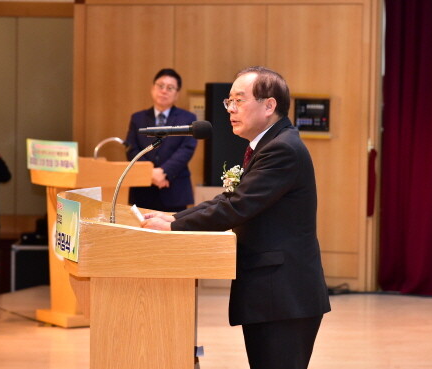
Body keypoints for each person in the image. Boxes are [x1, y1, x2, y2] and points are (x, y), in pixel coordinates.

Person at [142, 66, 331, 369]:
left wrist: (175, 225)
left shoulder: (283, 150)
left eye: (239, 101)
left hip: (284, 296)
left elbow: (237, 207)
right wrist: (175, 217)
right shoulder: (268, 146)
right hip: (273, 294)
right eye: (229, 101)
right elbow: (228, 200)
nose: (231, 109)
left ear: (269, 105)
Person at [125, 68, 197, 212]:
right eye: (160, 86)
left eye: (170, 88)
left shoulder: (188, 118)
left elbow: (186, 149)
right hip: (142, 190)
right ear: (153, 88)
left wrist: (163, 172)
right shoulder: (137, 118)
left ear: (177, 94)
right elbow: (131, 148)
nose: (164, 91)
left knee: (173, 233)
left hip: (174, 187)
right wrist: (150, 172)